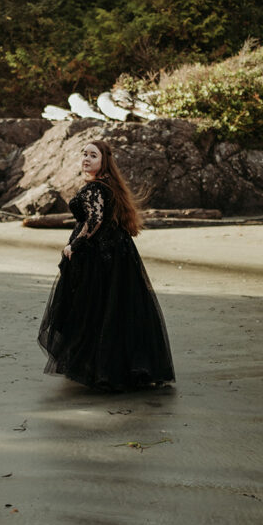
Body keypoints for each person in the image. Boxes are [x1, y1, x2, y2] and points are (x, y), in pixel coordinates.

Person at [38, 139, 175, 391]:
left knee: (95, 310)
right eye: (84, 154)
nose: (86, 159)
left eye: (93, 155)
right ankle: (119, 367)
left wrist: (74, 246)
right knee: (115, 311)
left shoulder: (96, 189)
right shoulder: (107, 186)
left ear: (104, 161)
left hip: (101, 257)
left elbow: (95, 220)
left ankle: (103, 369)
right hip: (117, 256)